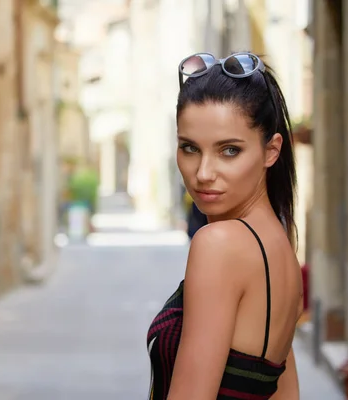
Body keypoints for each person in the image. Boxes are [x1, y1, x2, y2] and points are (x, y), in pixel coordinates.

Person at [147, 52, 303, 399]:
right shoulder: (281, 250)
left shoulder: (218, 245)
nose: (203, 173)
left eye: (229, 150)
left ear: (271, 151)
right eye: (189, 148)